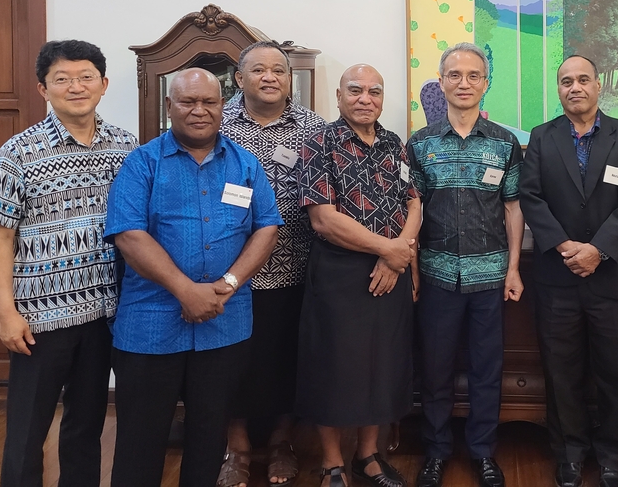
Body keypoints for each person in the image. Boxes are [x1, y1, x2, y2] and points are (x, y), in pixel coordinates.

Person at [106, 68, 282, 487]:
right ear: (170, 107)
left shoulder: (244, 163)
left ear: (223, 106)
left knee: (209, 439)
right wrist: (185, 290)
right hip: (150, 325)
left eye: (210, 102)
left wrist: (229, 284)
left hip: (225, 323)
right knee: (140, 442)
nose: (200, 111)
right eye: (188, 102)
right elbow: (129, 234)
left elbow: (266, 226)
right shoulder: (142, 163)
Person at [0, 40, 138, 487]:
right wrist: (6, 313)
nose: (76, 87)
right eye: (62, 79)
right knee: (27, 430)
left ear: (104, 84)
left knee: (86, 426)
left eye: (86, 76)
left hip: (105, 311)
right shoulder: (17, 154)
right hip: (39, 317)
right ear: (42, 89)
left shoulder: (126, 147)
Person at [519, 55, 618, 487]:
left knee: (615, 372)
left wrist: (597, 250)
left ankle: (614, 454)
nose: (574, 87)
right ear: (558, 90)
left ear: (598, 86)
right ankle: (570, 453)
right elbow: (531, 196)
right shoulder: (541, 137)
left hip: (613, 277)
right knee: (561, 372)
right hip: (557, 278)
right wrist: (563, 245)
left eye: (582, 80)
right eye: (565, 81)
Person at [297, 64, 421, 487]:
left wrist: (398, 254)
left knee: (383, 365)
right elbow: (324, 220)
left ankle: (367, 456)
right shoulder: (318, 143)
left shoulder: (394, 144)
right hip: (339, 272)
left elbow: (414, 202)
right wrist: (388, 249)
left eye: (374, 91)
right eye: (356, 90)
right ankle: (332, 462)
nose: (365, 98)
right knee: (336, 367)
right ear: (338, 95)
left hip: (393, 269)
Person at [406, 43, 524, 487]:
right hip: (437, 275)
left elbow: (513, 208)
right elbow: (412, 211)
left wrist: (513, 270)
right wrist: (415, 269)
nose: (464, 83)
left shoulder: (504, 143)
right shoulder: (420, 144)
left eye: (474, 75)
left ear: (485, 82)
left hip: (490, 277)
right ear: (441, 82)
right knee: (434, 369)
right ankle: (435, 451)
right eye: (454, 75)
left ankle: (482, 452)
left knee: (486, 369)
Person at [218, 41, 326, 487]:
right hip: (229, 271)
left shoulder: (313, 128)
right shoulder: (216, 123)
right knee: (231, 364)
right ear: (239, 79)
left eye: (278, 70)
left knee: (287, 360)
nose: (270, 77)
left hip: (295, 266)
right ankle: (237, 448)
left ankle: (282, 443)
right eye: (258, 70)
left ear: (290, 79)